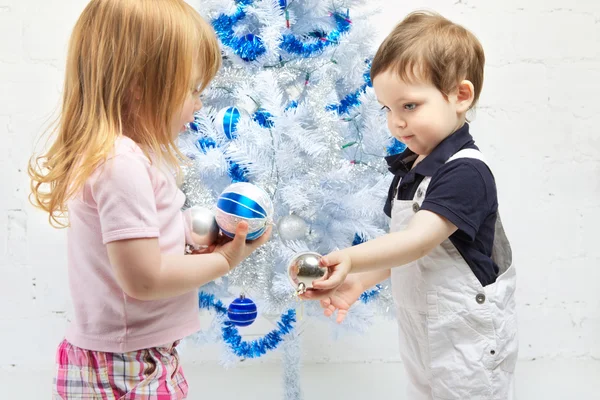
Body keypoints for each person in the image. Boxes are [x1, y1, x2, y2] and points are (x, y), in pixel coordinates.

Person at [28, 1, 270, 398]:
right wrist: (222, 261)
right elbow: (143, 278)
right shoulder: (120, 164)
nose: (199, 102)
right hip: (125, 364)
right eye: (192, 88)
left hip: (131, 354)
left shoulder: (127, 156)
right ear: (141, 85)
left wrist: (191, 238)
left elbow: (145, 248)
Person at [303, 11, 518, 400]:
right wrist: (359, 282)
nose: (396, 123)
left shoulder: (465, 172)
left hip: (466, 333)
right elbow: (401, 248)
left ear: (460, 96)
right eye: (387, 109)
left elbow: (419, 240)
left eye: (410, 106)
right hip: (424, 330)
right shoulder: (411, 167)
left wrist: (349, 257)